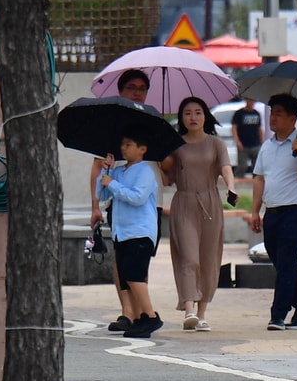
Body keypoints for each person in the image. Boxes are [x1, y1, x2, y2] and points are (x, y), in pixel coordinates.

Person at [249, 93, 297, 331]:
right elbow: (259, 179)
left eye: (279, 113)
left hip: (296, 212)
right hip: (272, 213)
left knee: (288, 261)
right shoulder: (266, 148)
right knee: (283, 265)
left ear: (293, 118)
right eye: (272, 113)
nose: (274, 118)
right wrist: (255, 211)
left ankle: (278, 315)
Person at [161, 97, 235, 332]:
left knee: (209, 260)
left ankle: (202, 313)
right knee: (188, 256)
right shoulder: (175, 144)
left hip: (211, 203)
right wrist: (161, 159)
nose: (193, 117)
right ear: (181, 118)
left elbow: (225, 169)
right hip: (184, 202)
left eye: (198, 112)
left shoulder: (216, 144)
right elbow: (166, 179)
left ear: (205, 116)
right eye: (187, 113)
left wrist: (230, 187)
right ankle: (189, 309)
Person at [93, 68, 153, 332]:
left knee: (138, 263)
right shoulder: (112, 123)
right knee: (124, 262)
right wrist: (95, 206)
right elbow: (97, 168)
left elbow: (168, 164)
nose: (137, 91)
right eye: (131, 87)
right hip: (120, 199)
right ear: (121, 90)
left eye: (142, 87)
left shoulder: (154, 119)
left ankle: (143, 312)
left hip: (146, 202)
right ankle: (127, 311)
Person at [97, 130, 163, 338]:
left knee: (135, 275)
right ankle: (140, 317)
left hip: (140, 231)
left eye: (129, 144)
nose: (123, 148)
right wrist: (104, 172)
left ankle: (151, 316)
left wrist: (113, 184)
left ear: (142, 149)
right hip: (121, 232)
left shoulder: (145, 171)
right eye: (122, 144)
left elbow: (137, 197)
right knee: (126, 276)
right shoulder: (117, 171)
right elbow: (103, 193)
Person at [232, 98, 264, 177]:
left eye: (253, 101)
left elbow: (259, 128)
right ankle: (237, 182)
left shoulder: (256, 113)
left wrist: (262, 141)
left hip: (255, 144)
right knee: (242, 166)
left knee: (257, 167)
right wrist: (237, 141)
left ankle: (255, 183)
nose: (251, 102)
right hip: (243, 144)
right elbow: (234, 128)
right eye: (250, 100)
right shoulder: (239, 113)